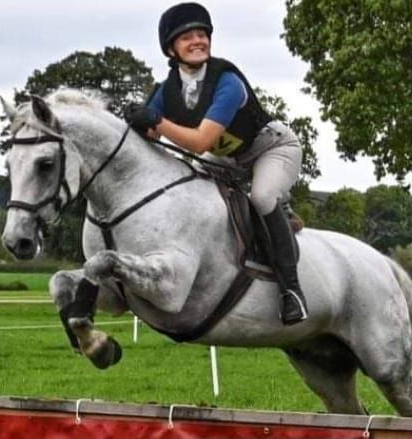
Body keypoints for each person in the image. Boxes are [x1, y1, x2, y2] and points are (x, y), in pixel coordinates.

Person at [123, 2, 308, 325]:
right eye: (186, 37)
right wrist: (138, 123)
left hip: (271, 148)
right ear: (171, 49)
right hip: (228, 158)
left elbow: (200, 142)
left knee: (263, 198)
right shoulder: (167, 91)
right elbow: (149, 135)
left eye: (202, 34)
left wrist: (158, 122)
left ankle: (291, 291)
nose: (197, 41)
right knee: (188, 186)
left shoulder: (227, 81)